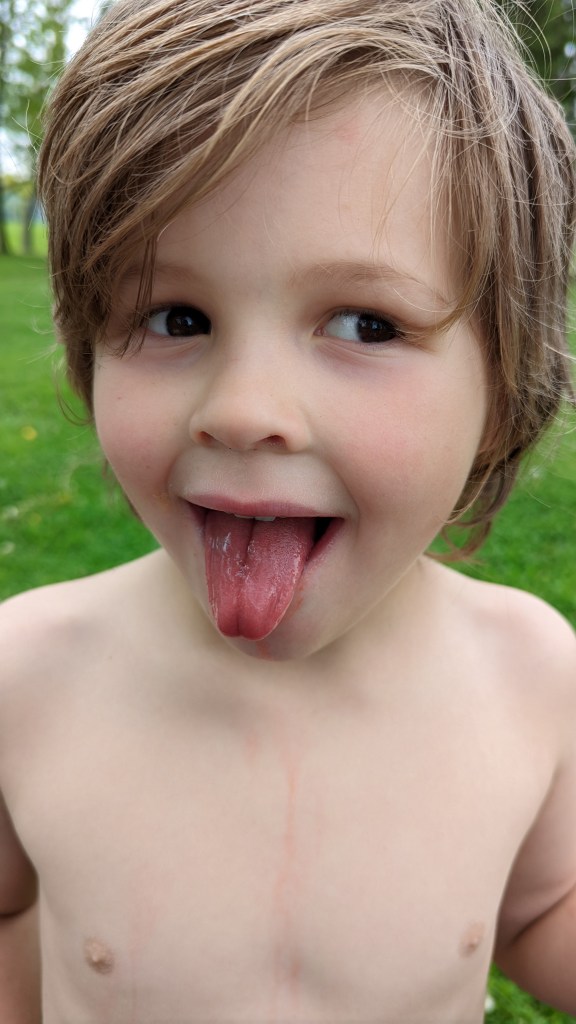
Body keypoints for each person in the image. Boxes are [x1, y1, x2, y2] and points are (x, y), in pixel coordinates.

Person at [1, 0, 576, 1019]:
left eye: (365, 324)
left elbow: (539, 913)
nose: (243, 410)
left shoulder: (530, 676)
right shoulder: (27, 676)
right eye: (176, 316)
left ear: (503, 393)